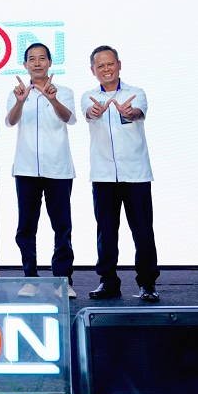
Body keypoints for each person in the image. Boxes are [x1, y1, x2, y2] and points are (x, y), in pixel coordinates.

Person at [80, 45, 159, 302]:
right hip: (103, 176)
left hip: (136, 174)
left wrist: (129, 112)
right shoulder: (89, 97)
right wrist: (95, 111)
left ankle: (147, 283)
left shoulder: (136, 93)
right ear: (93, 70)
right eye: (100, 65)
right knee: (106, 231)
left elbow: (138, 113)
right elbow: (89, 113)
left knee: (143, 231)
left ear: (119, 65)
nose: (106, 69)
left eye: (110, 64)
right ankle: (108, 281)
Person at [6, 43, 77, 299]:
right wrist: (20, 102)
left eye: (42, 58)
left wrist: (52, 98)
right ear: (25, 65)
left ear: (49, 63)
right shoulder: (17, 92)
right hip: (26, 169)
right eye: (32, 59)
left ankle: (63, 280)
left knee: (62, 227)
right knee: (26, 227)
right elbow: (11, 121)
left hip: (58, 168)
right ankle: (30, 279)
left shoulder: (64, 91)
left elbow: (69, 118)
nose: (37, 63)